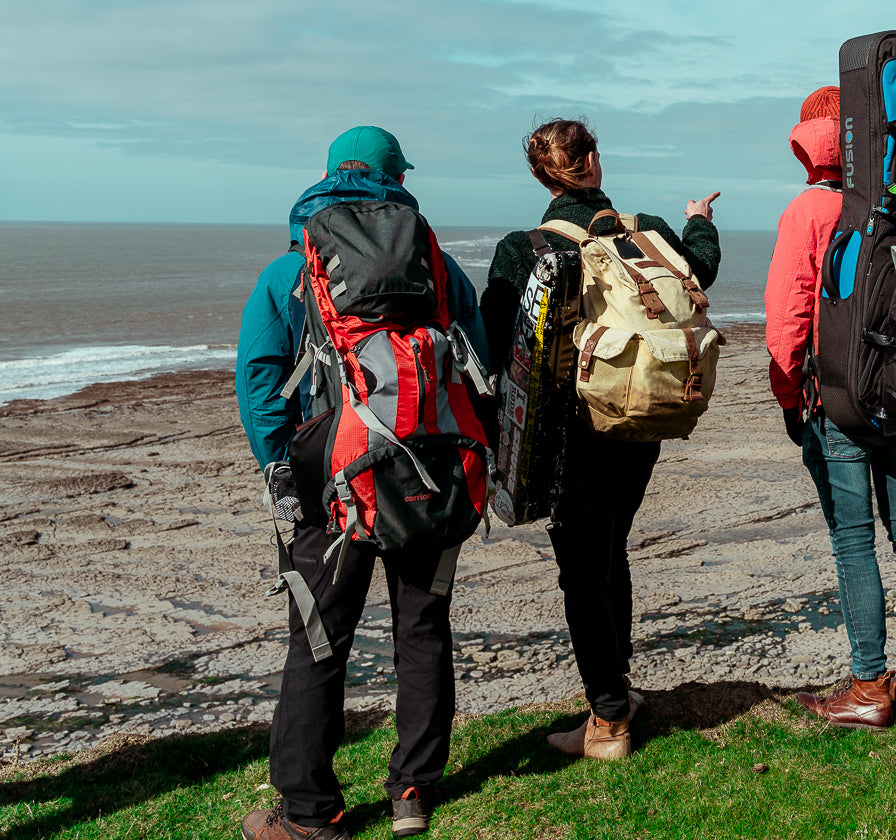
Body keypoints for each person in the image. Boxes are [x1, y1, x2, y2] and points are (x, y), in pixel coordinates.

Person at [236, 126, 489, 840]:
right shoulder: (438, 264)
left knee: (320, 642)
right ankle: (412, 792)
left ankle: (310, 814)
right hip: (432, 478)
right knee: (422, 628)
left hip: (331, 489)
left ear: (326, 178)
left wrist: (281, 466)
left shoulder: (289, 271)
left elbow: (258, 379)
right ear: (395, 178)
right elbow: (481, 361)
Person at [480, 117, 721, 760]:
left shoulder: (523, 246)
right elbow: (701, 269)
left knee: (583, 568)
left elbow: (493, 343)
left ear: (542, 175)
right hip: (642, 419)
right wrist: (696, 217)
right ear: (594, 162)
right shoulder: (645, 232)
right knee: (610, 551)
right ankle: (616, 692)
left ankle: (608, 720)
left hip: (570, 433)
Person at [765, 87, 896, 730]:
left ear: (808, 145)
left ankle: (870, 683)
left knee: (853, 540)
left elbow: (787, 321)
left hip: (836, 398)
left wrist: (790, 398)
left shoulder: (808, 211)